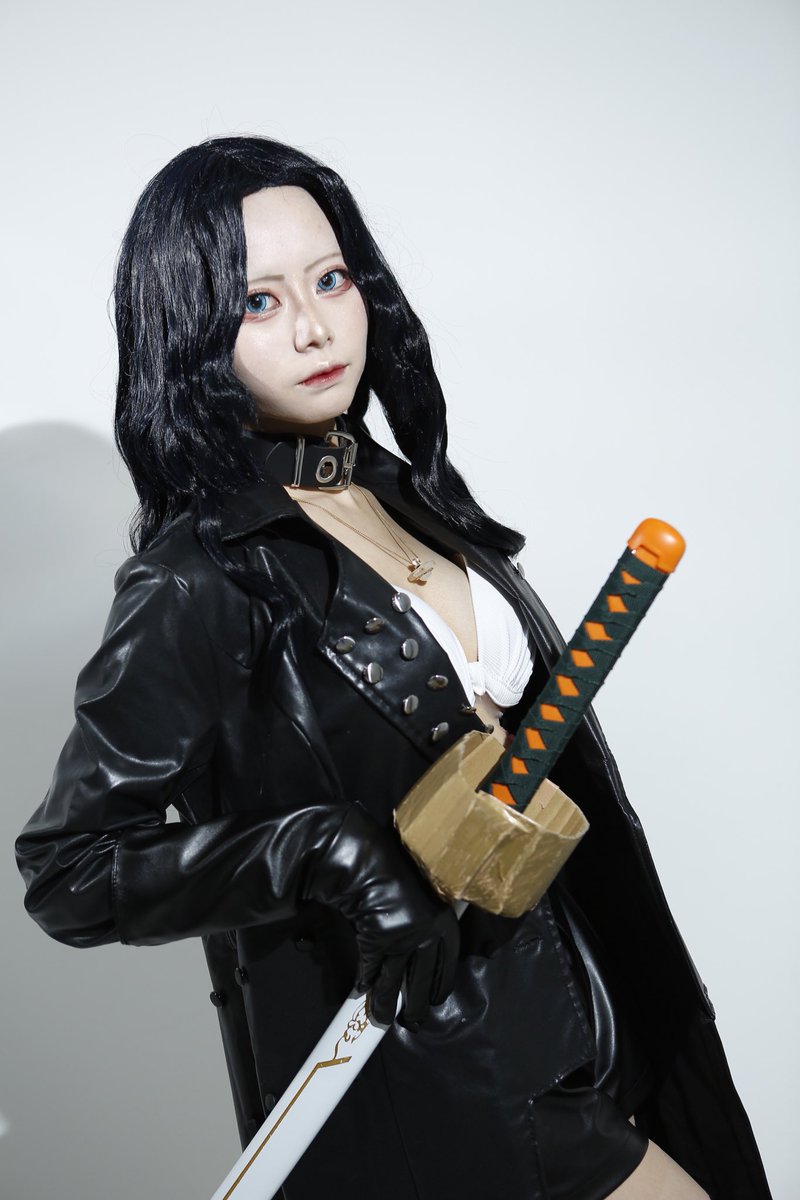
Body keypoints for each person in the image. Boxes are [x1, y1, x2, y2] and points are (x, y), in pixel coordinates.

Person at [15, 136, 771, 1200]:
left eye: (330, 280)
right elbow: (71, 870)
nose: (315, 326)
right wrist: (320, 850)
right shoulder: (198, 579)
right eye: (259, 302)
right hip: (437, 1082)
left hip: (592, 1026)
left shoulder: (404, 494)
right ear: (189, 332)